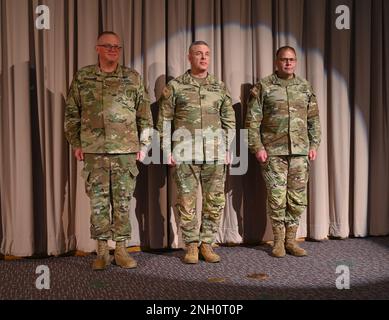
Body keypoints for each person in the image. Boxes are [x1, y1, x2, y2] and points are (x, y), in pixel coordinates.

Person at [64, 31, 153, 270]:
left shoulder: (132, 78)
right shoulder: (83, 77)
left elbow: (145, 115)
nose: (113, 50)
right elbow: (72, 113)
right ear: (98, 48)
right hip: (94, 151)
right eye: (108, 46)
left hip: (125, 151)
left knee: (123, 202)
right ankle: (102, 251)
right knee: (99, 203)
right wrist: (77, 143)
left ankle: (122, 249)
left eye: (117, 46)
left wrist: (143, 145)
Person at [157, 41, 235, 264]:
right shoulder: (175, 87)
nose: (203, 58)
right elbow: (164, 120)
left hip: (215, 153)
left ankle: (207, 244)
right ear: (189, 57)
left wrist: (229, 148)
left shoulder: (219, 87)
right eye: (198, 54)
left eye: (207, 54)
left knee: (214, 201)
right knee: (186, 201)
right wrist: (166, 150)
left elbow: (229, 119)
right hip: (185, 153)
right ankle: (191, 245)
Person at [245, 46, 321, 257]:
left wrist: (314, 145)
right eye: (284, 59)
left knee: (297, 198)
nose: (288, 63)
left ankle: (291, 241)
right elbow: (252, 121)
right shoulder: (264, 86)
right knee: (277, 197)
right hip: (273, 152)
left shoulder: (304, 87)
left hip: (300, 152)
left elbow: (313, 119)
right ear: (276, 62)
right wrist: (257, 147)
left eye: (292, 59)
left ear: (295, 62)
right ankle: (277, 241)